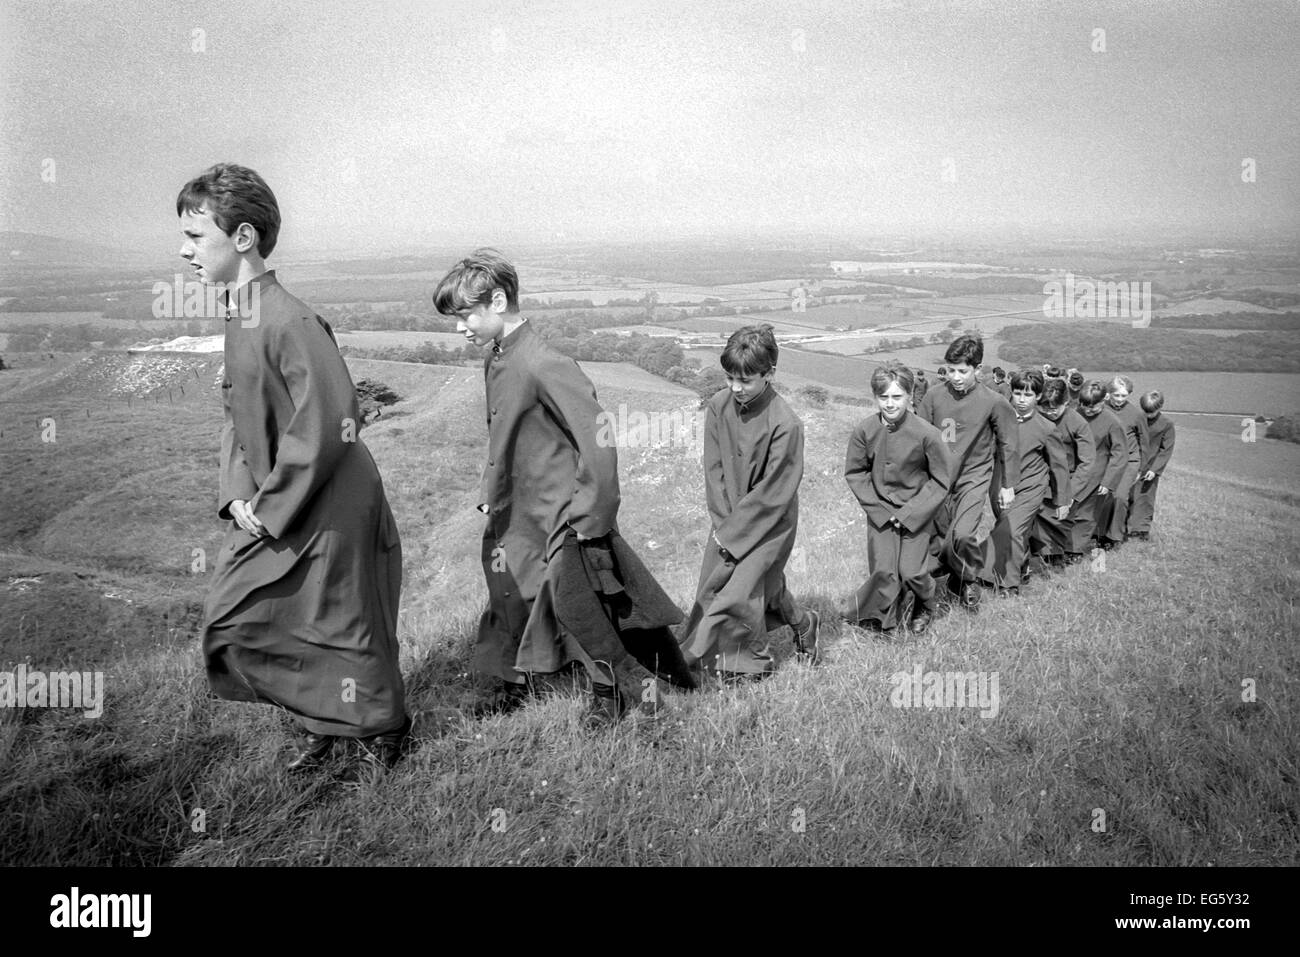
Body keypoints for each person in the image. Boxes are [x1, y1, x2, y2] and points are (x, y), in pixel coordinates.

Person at [186, 163, 408, 779]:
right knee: (247, 614)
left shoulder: (291, 320)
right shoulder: (241, 314)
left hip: (332, 496)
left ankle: (384, 728)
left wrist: (273, 504)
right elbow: (236, 412)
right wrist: (236, 495)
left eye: (197, 236)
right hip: (281, 496)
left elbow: (332, 421)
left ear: (244, 238)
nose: (185, 250)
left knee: (344, 620)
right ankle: (329, 723)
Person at [438, 249, 694, 724]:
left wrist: (591, 518)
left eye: (465, 315)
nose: (459, 328)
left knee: (579, 608)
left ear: (497, 300)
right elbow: (503, 435)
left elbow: (597, 441)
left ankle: (612, 693)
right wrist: (488, 492)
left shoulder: (545, 363)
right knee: (512, 594)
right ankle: (520, 681)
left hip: (560, 514)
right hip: (517, 512)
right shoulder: (498, 358)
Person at [680, 324, 820, 678]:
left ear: (770, 373)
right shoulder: (717, 406)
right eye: (730, 378)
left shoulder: (786, 424)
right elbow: (713, 469)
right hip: (725, 518)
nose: (736, 389)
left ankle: (748, 665)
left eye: (746, 380)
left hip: (771, 523)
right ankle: (804, 625)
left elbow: (776, 491)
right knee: (758, 583)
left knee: (737, 592)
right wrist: (723, 524)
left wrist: (735, 536)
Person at [842, 363, 955, 636]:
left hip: (917, 512)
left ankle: (926, 602)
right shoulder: (864, 430)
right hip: (880, 511)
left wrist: (910, 513)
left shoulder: (927, 433)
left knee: (912, 571)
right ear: (875, 397)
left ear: (910, 395)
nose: (890, 404)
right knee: (884, 571)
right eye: (884, 397)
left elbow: (941, 479)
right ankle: (884, 619)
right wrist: (880, 510)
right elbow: (856, 473)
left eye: (897, 397)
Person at [917, 334, 1019, 610]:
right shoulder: (933, 395)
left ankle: (967, 579)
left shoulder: (994, 401)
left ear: (978, 369)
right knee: (938, 540)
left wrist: (1008, 485)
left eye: (963, 371)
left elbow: (1009, 443)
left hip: (974, 479)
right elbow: (918, 437)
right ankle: (950, 582)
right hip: (938, 480)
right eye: (951, 370)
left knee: (961, 535)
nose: (956, 377)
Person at [977, 369, 1070, 595]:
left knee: (1011, 531)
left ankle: (1008, 583)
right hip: (1000, 485)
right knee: (1016, 530)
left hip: (1031, 487)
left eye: (1027, 395)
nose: (1021, 400)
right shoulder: (998, 420)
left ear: (1037, 397)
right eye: (1017, 393)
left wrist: (1062, 500)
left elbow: (1059, 466)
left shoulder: (1047, 428)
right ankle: (1023, 566)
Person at [1031, 377, 1096, 568]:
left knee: (1060, 524)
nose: (1050, 413)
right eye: (1045, 408)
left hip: (1066, 482)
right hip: (1040, 479)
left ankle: (1056, 560)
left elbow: (1087, 462)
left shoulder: (1078, 423)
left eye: (1054, 409)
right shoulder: (1036, 417)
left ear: (1066, 403)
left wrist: (1069, 493)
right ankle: (1039, 558)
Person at [1071, 381, 1127, 557]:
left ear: (1105, 399)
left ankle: (1075, 550)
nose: (1087, 410)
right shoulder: (1074, 414)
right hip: (1073, 472)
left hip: (1097, 476)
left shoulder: (1113, 422)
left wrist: (1108, 481)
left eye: (1092, 406)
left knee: (1086, 515)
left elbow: (1119, 454)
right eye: (1084, 405)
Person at [1095, 375, 1150, 550]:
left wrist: (1141, 467)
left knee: (1119, 497)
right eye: (1116, 395)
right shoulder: (1101, 409)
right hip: (1108, 459)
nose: (1119, 399)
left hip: (1129, 461)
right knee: (1104, 496)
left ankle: (1114, 536)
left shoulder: (1137, 414)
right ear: (1108, 394)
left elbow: (1144, 441)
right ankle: (1100, 534)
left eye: (1124, 396)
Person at [1128, 390, 1176, 541]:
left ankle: (1141, 529)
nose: (1148, 415)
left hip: (1151, 467)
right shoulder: (1135, 419)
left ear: (1160, 407)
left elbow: (1166, 449)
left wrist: (1155, 469)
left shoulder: (1167, 424)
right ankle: (1125, 525)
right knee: (1128, 496)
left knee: (1146, 498)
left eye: (1152, 412)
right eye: (1146, 411)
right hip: (1133, 464)